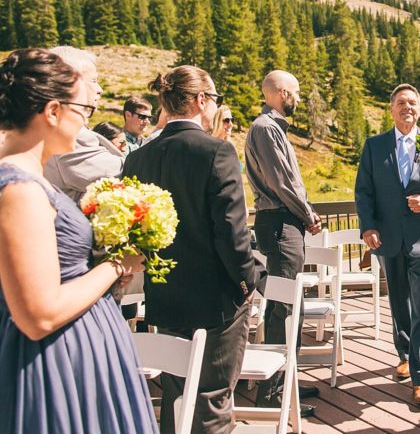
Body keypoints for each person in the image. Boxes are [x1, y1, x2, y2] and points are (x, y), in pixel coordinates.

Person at [0, 48, 155, 433]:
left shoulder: (29, 179)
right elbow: (40, 315)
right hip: (53, 359)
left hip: (79, 345)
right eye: (82, 111)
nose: (86, 122)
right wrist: (118, 266)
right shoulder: (19, 188)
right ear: (52, 112)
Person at [123, 65, 265, 434]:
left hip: (164, 298)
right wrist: (250, 285)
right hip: (215, 303)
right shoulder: (217, 152)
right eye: (215, 98)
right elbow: (233, 237)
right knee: (211, 400)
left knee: (176, 398)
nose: (217, 106)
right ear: (201, 100)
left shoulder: (137, 158)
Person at [355, 84, 420, 407]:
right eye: (401, 103)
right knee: (399, 303)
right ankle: (404, 353)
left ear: (419, 110)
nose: (407, 107)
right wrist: (368, 227)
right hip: (388, 238)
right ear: (391, 109)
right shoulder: (374, 146)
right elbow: (364, 191)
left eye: (413, 103)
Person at [245, 71, 322, 416]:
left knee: (293, 304)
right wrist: (307, 214)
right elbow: (281, 183)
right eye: (295, 92)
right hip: (279, 223)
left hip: (285, 222)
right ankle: (274, 394)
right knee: (283, 308)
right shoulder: (265, 129)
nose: (299, 99)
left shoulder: (273, 129)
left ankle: (286, 378)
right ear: (278, 93)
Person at [43, 46, 124, 204]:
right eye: (93, 80)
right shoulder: (69, 132)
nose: (99, 89)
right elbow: (119, 174)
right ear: (69, 83)